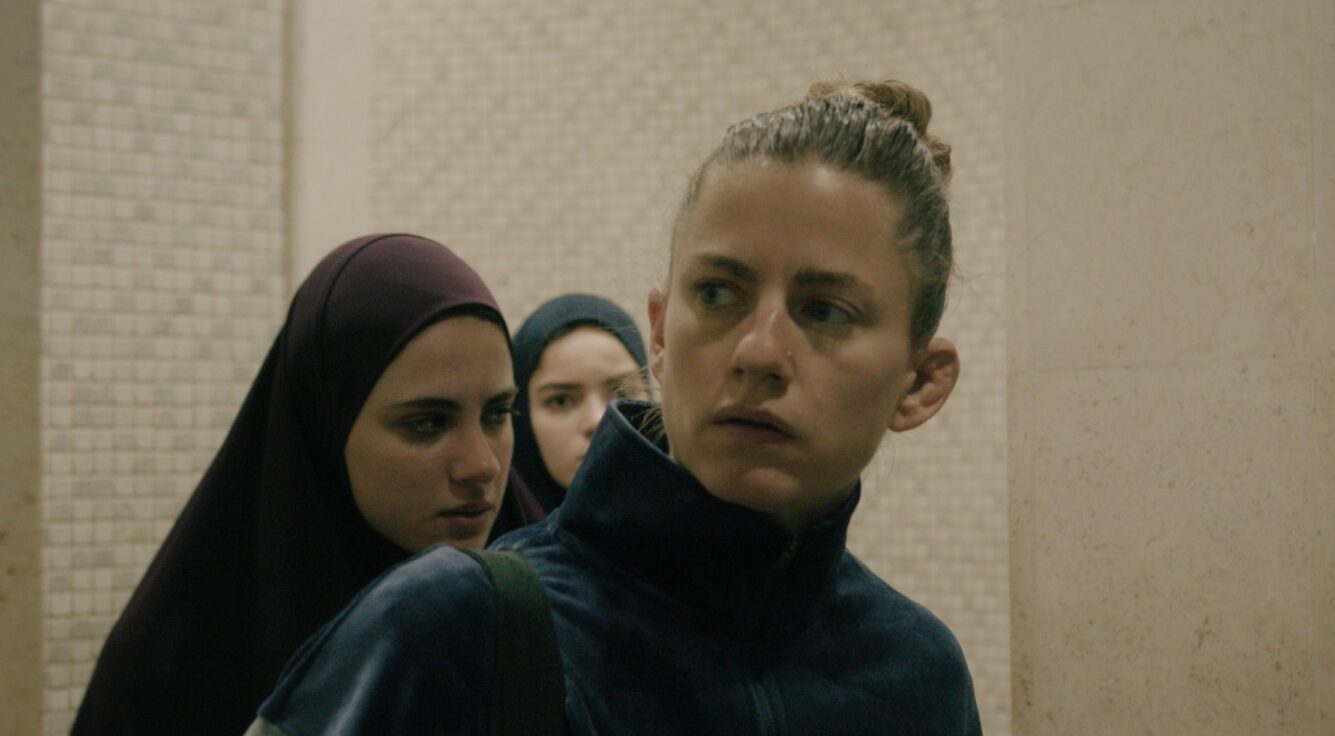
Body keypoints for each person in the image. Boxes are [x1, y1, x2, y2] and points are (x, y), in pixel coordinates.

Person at [247, 79, 979, 735]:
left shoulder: (918, 676)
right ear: (658, 336)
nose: (758, 352)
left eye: (825, 310)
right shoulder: (452, 631)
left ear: (919, 383)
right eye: (718, 293)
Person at [72, 234, 516, 736]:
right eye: (427, 423)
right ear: (324, 427)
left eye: (498, 413)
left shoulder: (551, 608)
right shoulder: (175, 669)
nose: (481, 466)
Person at [490, 294, 649, 537]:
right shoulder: (486, 552)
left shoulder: (701, 533)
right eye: (561, 401)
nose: (597, 421)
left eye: (621, 392)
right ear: (521, 418)